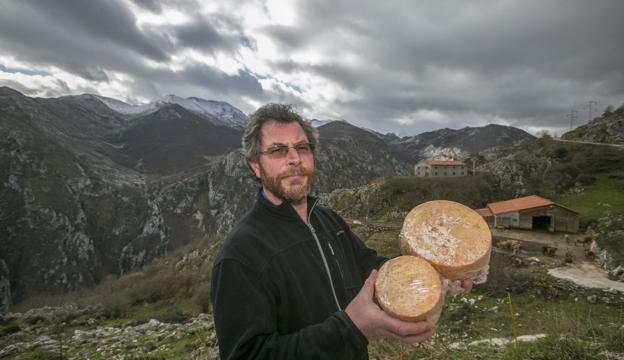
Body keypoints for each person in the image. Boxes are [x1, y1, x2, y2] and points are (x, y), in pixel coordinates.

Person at [210, 104, 472, 359]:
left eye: (302, 147)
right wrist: (352, 328)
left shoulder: (328, 221)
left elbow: (369, 267)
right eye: (278, 150)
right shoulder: (240, 255)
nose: (295, 159)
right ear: (255, 165)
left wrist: (429, 278)